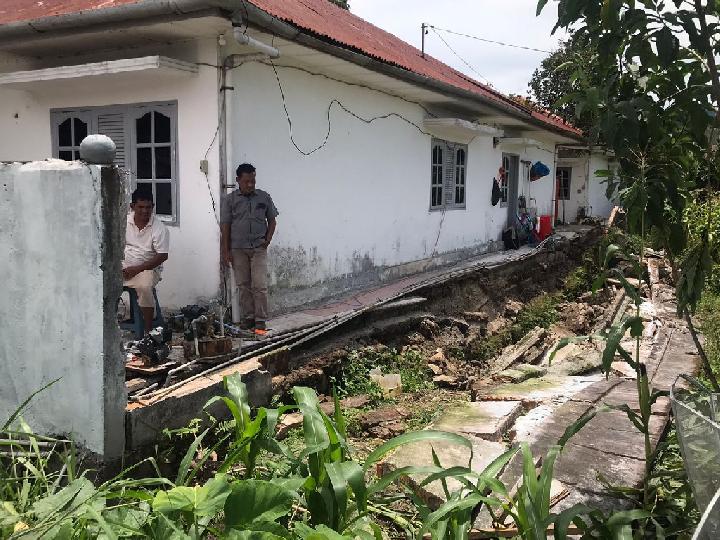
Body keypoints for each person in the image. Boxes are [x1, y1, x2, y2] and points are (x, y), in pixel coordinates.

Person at [220, 163, 279, 334]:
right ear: (238, 180)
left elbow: (272, 221)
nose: (250, 185)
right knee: (243, 285)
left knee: (259, 285)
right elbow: (225, 226)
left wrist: (267, 241)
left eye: (253, 181)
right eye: (246, 181)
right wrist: (226, 251)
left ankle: (260, 321)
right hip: (238, 249)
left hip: (258, 248)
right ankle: (248, 318)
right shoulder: (230, 200)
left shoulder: (264, 197)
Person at [123, 187, 170, 334]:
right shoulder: (123, 222)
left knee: (144, 287)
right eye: (140, 207)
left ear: (153, 207)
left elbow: (162, 256)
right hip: (124, 267)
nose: (145, 211)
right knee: (103, 283)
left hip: (148, 268)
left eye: (148, 207)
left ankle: (148, 331)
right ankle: (107, 327)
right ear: (132, 207)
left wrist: (137, 269)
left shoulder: (159, 228)